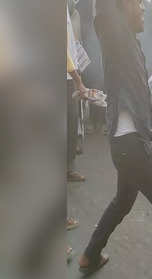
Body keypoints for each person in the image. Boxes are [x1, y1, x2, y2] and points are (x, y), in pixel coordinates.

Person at [79, 0, 152, 279]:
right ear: (122, 9)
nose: (142, 9)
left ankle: (89, 255)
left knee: (124, 200)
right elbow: (104, 11)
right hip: (130, 144)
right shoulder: (117, 36)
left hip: (128, 145)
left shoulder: (133, 45)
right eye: (136, 4)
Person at [67, 3, 86, 183]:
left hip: (70, 74)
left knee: (72, 122)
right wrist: (77, 79)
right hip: (65, 76)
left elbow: (72, 44)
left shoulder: (69, 12)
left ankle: (68, 167)